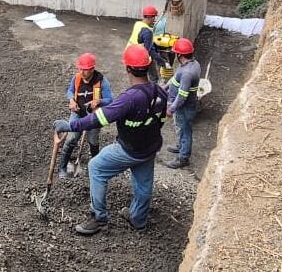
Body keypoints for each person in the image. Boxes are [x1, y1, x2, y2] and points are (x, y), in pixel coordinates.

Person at [53, 45, 168, 235]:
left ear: (128, 69)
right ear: (148, 66)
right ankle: (138, 219)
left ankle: (99, 218)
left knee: (96, 167)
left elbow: (99, 118)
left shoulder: (129, 98)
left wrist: (70, 126)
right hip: (149, 148)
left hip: (128, 149)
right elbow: (162, 119)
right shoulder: (160, 92)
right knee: (143, 184)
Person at [57, 53, 114, 179]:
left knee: (93, 140)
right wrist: (71, 100)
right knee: (71, 138)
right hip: (77, 113)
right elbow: (70, 91)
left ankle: (95, 167)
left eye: (85, 69)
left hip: (93, 115)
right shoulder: (76, 78)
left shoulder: (102, 81)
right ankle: (62, 168)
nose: (82, 72)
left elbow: (110, 99)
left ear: (92, 69)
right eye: (81, 68)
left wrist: (99, 101)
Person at [165, 37, 201, 169]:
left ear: (180, 55)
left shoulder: (187, 73)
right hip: (184, 106)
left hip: (184, 108)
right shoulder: (191, 64)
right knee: (181, 129)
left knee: (185, 130)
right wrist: (165, 88)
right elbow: (175, 78)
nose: (174, 55)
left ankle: (183, 158)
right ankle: (181, 146)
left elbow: (182, 96)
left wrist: (171, 109)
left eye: (175, 53)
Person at [126, 5, 166, 84]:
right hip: (138, 57)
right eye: (154, 17)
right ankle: (152, 91)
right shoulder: (148, 32)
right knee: (153, 77)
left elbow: (140, 39)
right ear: (152, 17)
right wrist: (161, 61)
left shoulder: (138, 24)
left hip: (129, 54)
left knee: (134, 79)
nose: (154, 19)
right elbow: (149, 51)